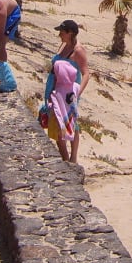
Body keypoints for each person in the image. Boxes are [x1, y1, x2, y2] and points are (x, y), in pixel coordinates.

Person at [44, 20, 91, 162]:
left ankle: (72, 157)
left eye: (62, 32)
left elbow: (86, 74)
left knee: (71, 122)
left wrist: (77, 93)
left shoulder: (78, 51)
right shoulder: (63, 45)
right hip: (55, 88)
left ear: (70, 33)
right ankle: (64, 157)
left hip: (69, 93)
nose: (59, 35)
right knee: (57, 121)